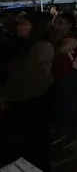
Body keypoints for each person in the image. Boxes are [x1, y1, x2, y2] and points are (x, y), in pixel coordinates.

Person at [0, 12, 54, 170]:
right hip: (20, 99)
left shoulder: (42, 46)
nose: (19, 27)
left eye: (24, 24)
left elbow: (23, 75)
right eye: (19, 24)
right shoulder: (21, 45)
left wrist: (5, 93)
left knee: (34, 138)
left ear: (35, 28)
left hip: (35, 100)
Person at [51, 12, 77, 147]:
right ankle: (63, 130)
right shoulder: (60, 37)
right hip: (59, 75)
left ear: (70, 26)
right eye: (55, 23)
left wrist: (53, 39)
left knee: (69, 104)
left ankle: (73, 131)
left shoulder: (72, 38)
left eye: (60, 24)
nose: (56, 26)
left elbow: (58, 51)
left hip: (69, 75)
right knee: (61, 104)